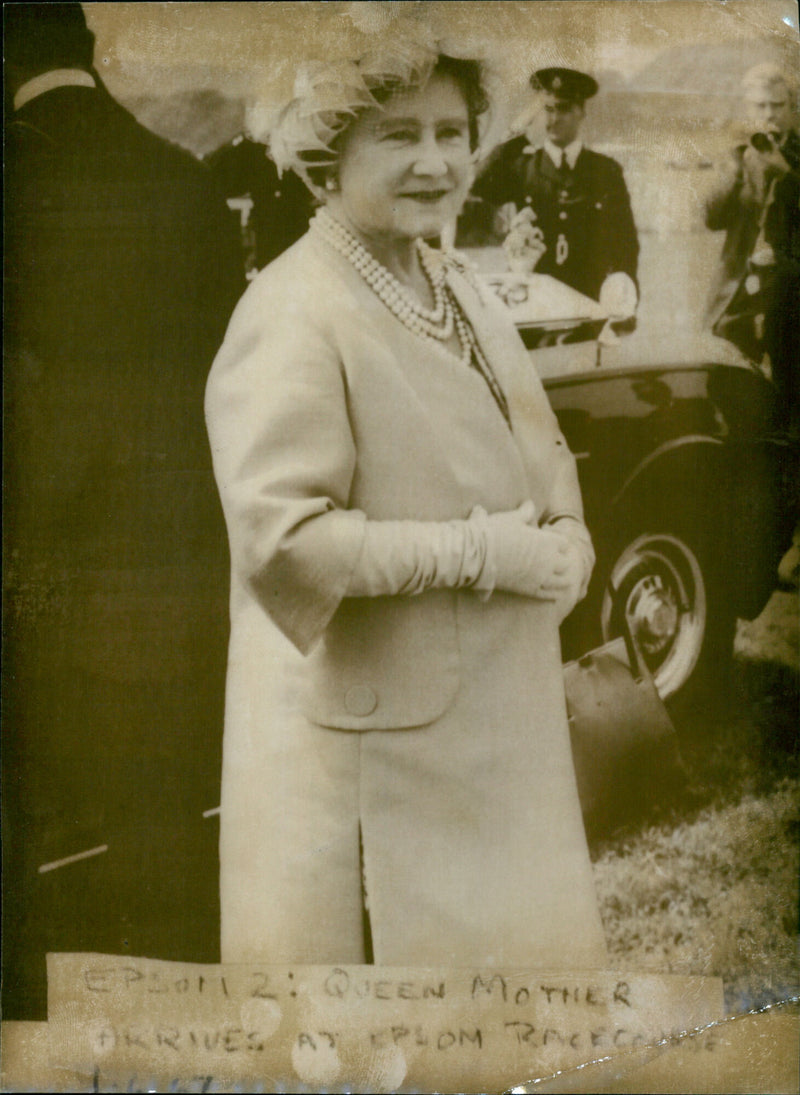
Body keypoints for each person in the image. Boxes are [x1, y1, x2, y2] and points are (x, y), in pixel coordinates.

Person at [205, 46, 608, 968]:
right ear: (330, 152)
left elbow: (537, 436)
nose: (437, 160)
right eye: (400, 136)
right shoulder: (292, 308)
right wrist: (481, 554)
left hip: (494, 733)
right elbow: (286, 542)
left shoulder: (453, 276)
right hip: (374, 759)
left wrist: (571, 530)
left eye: (452, 134)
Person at [3, 3, 243, 1017]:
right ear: (89, 50)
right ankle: (183, 1040)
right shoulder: (184, 186)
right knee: (163, 827)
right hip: (165, 568)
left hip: (30, 570)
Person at [458, 66, 639, 313]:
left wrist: (625, 302)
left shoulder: (605, 171)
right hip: (534, 300)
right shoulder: (523, 167)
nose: (553, 119)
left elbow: (625, 242)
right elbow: (480, 184)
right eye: (548, 109)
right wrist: (519, 127)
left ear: (581, 112)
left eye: (563, 109)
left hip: (589, 298)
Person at [704, 63, 799, 428]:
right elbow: (712, 219)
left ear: (791, 109)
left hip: (790, 289)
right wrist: (734, 167)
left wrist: (786, 173)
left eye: (777, 105)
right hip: (740, 289)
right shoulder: (739, 153)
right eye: (759, 106)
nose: (769, 115)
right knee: (729, 386)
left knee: (790, 394)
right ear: (748, 109)